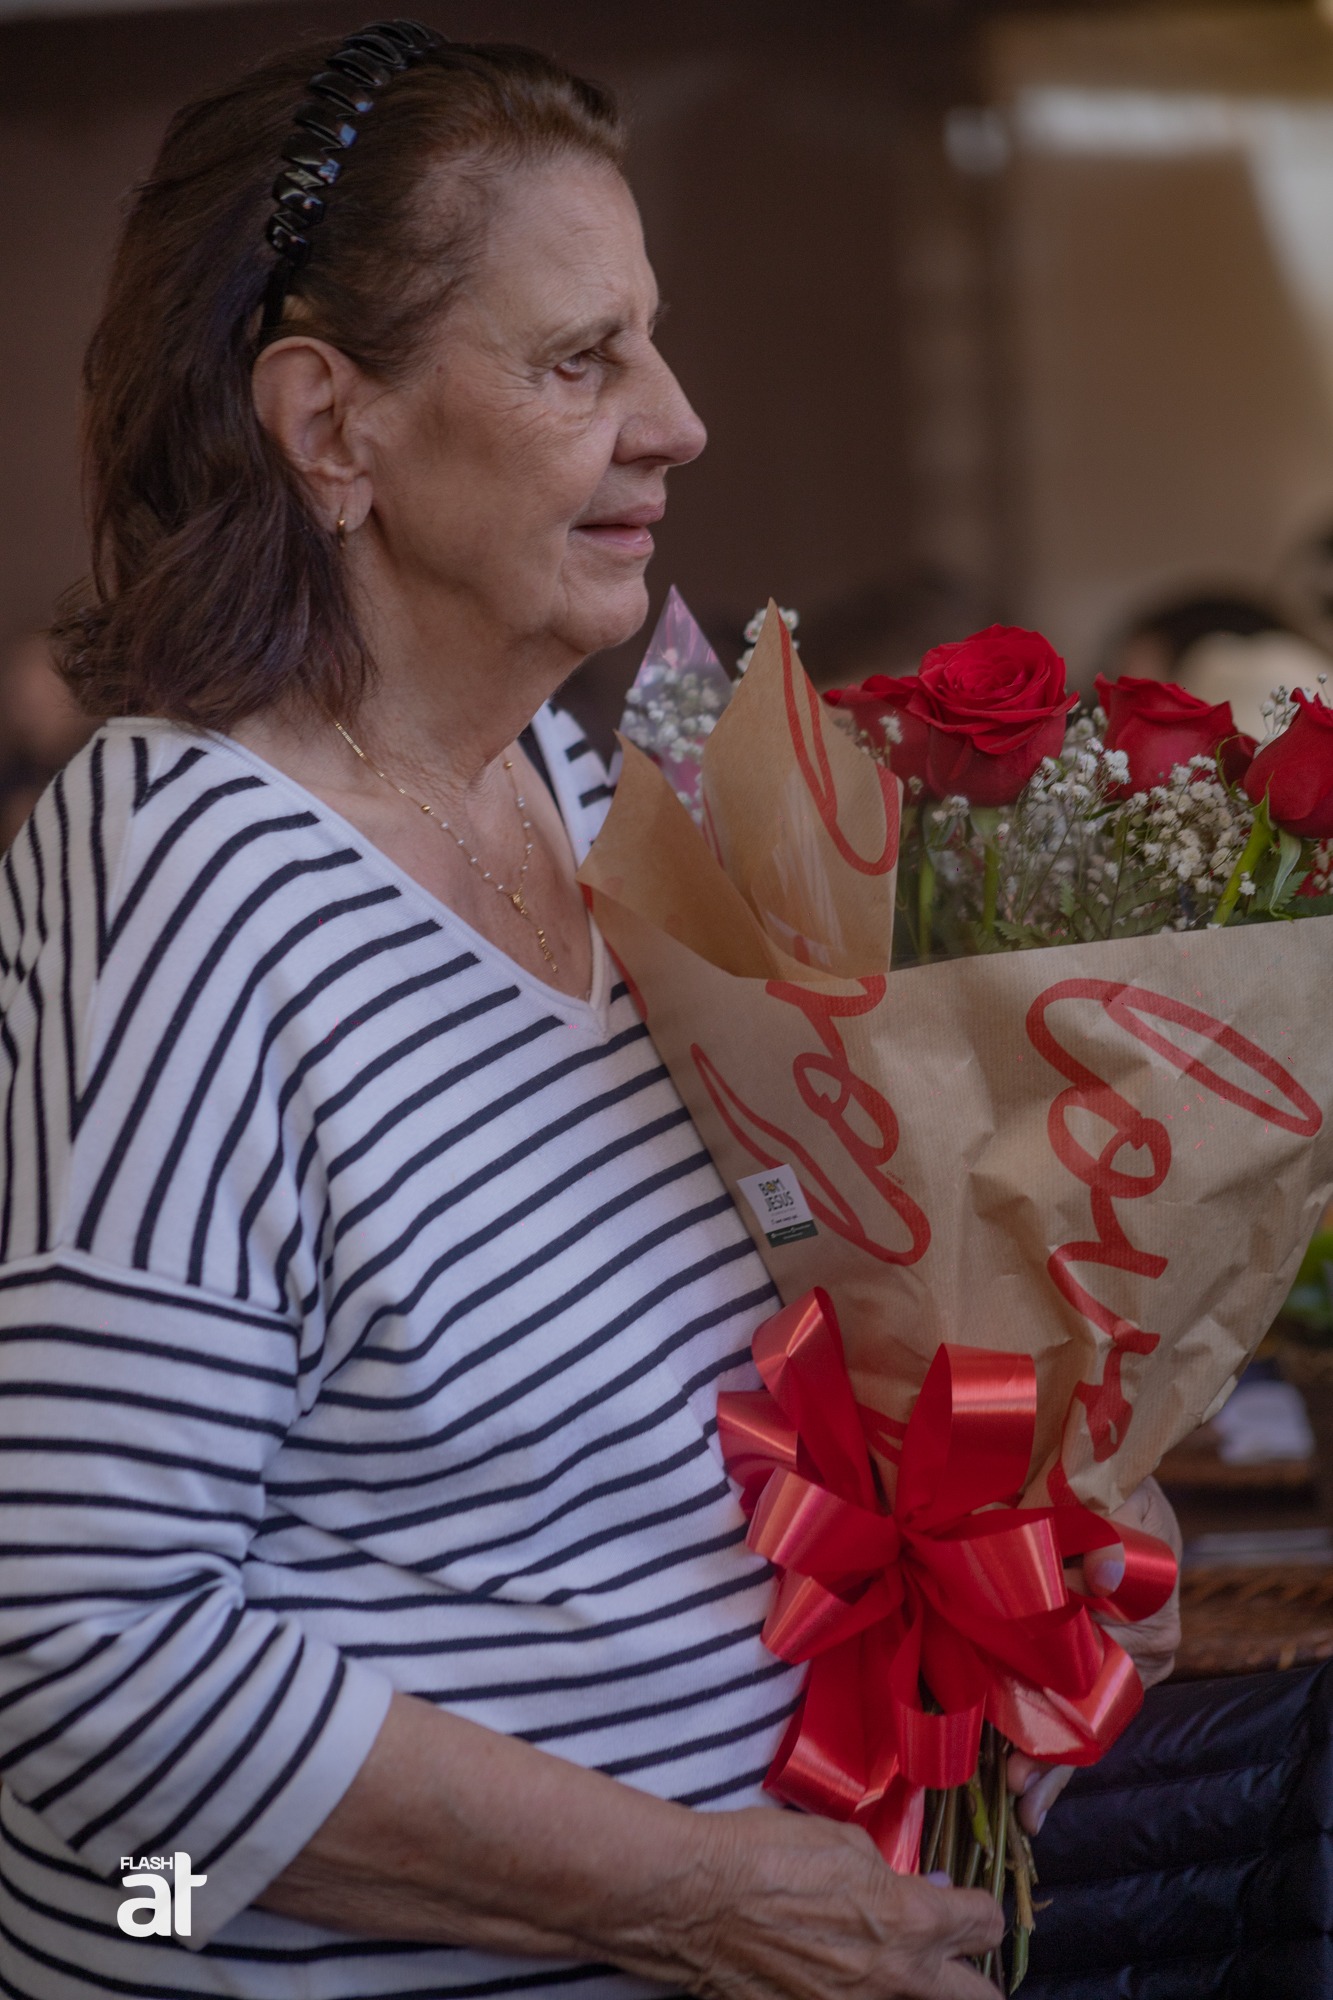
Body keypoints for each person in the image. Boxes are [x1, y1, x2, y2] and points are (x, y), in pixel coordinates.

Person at [0, 25, 1178, 1999]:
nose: (678, 421)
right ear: (330, 426)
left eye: (652, 343)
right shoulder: (180, 878)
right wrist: (691, 1896)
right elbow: (79, 1651)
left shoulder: (563, 782)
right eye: (580, 360)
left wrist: (1013, 1548)